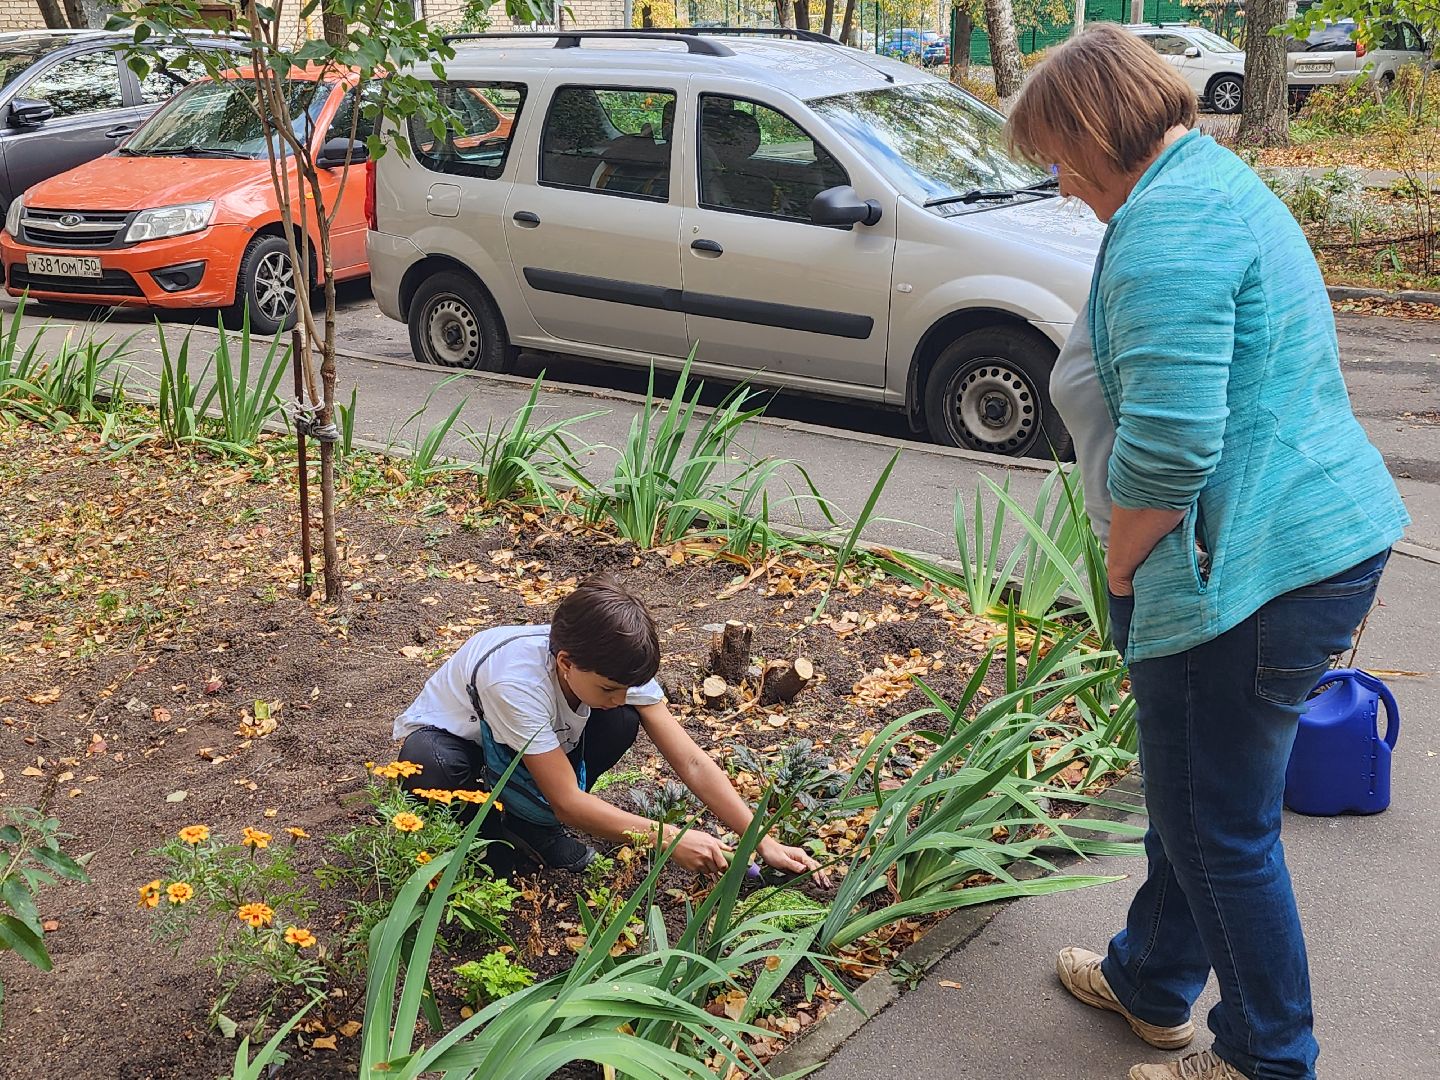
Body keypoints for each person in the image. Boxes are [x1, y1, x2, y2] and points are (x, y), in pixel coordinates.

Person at [1006, 25, 1409, 1080]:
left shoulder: (1170, 230)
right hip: (1301, 542)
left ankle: (1267, 1059)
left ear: (1097, 131)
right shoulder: (1209, 180)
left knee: (1221, 830)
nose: (1058, 179)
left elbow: (1175, 443)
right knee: (1193, 802)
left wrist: (1124, 563)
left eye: (1057, 152)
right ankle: (1151, 979)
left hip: (1244, 573)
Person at [392, 574, 826, 880]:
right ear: (565, 662)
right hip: (460, 744)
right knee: (429, 764)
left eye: (628, 687)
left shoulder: (612, 664)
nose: (622, 696)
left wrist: (760, 841)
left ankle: (530, 827)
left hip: (528, 745)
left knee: (619, 721)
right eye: (610, 688)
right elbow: (565, 800)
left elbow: (691, 761)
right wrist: (670, 840)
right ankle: (483, 843)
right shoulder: (515, 682)